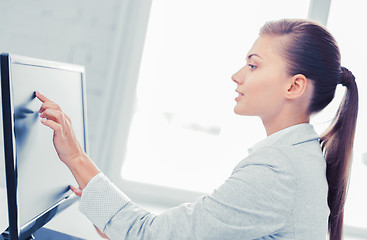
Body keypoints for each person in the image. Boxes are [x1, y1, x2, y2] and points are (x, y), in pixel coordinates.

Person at [36, 18, 358, 240]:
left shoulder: (277, 170)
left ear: (294, 86)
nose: (237, 75)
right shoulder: (298, 157)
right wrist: (116, 225)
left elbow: (149, 235)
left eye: (253, 65)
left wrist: (75, 156)